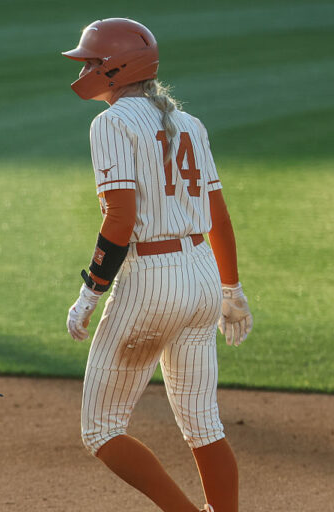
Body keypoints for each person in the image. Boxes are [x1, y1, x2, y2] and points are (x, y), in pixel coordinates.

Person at [61, 18, 253, 512]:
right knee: (203, 423)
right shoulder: (190, 124)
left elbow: (120, 217)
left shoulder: (110, 123)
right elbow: (219, 217)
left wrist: (91, 291)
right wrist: (231, 289)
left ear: (113, 68)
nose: (82, 68)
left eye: (88, 61)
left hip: (152, 283)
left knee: (102, 430)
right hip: (202, 277)